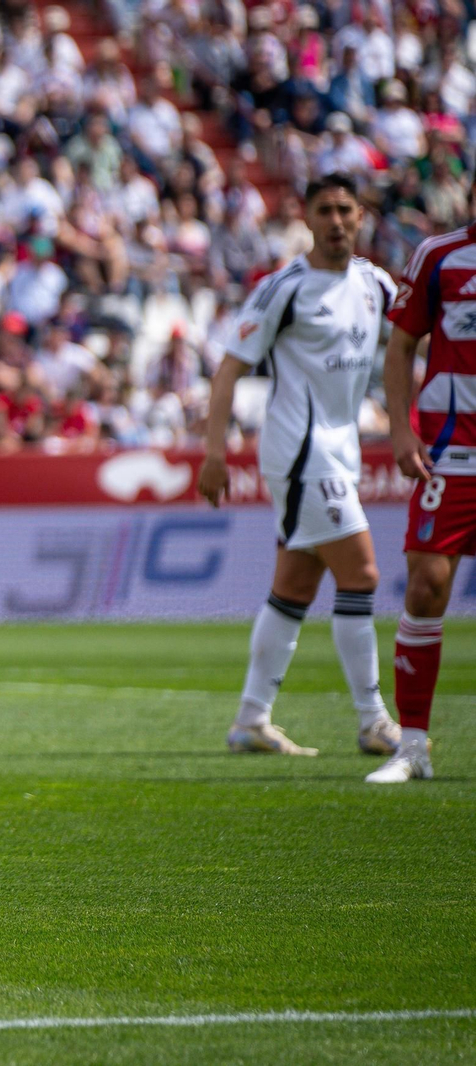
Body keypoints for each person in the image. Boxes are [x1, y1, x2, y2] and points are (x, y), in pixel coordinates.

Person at [199, 173, 399, 758]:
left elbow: (416, 337)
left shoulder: (373, 282)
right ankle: (373, 720)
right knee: (360, 575)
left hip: (341, 450)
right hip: (302, 453)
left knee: (295, 585)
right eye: (325, 211)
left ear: (361, 217)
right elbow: (229, 371)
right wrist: (215, 453)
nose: (336, 221)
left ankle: (250, 721)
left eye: (345, 210)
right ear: (306, 219)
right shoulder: (284, 287)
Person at [372, 185, 476, 784]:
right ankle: (412, 745)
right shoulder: (437, 255)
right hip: (450, 453)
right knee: (426, 585)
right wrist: (400, 431)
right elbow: (402, 343)